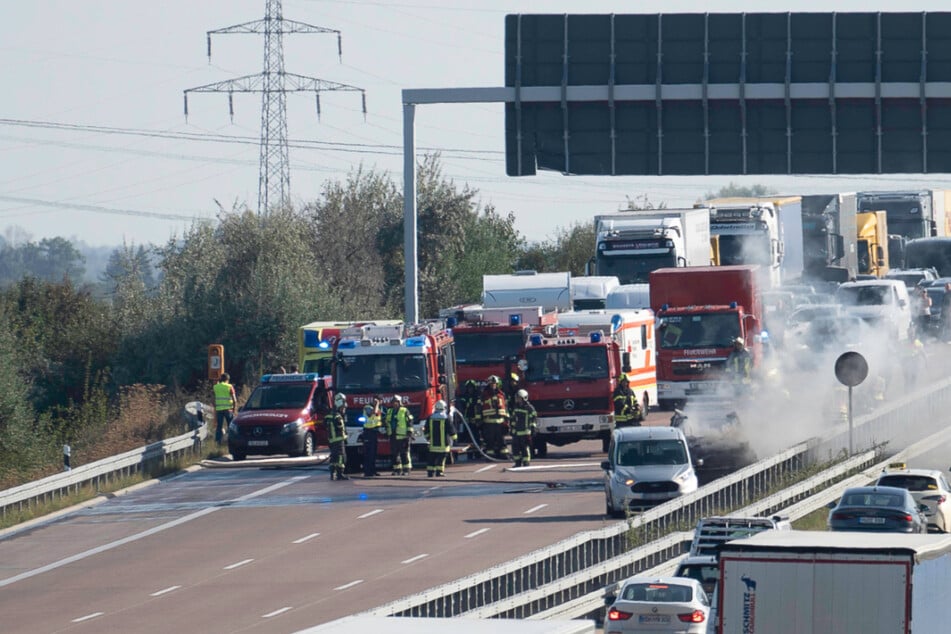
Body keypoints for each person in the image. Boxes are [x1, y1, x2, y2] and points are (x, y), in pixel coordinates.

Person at [423, 400, 457, 477]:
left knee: (432, 458)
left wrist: (428, 438)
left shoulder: (430, 418)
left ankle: (430, 472)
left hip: (433, 444)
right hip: (443, 445)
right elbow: (451, 429)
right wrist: (455, 438)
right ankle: (439, 472)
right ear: (444, 408)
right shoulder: (446, 418)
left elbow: (426, 429)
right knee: (441, 459)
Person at [479, 375, 509, 458]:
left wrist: (507, 420)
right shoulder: (484, 394)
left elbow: (505, 407)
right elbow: (479, 407)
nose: (493, 385)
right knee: (490, 441)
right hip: (489, 422)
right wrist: (479, 420)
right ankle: (490, 455)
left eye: (495, 384)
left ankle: (504, 455)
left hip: (500, 422)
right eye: (492, 384)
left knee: (501, 440)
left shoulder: (501, 394)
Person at [386, 395, 415, 475]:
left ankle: (406, 470)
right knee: (394, 454)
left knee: (404, 453)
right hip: (393, 435)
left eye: (396, 402)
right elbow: (387, 422)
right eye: (393, 402)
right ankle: (397, 470)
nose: (394, 404)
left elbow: (410, 421)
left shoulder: (404, 410)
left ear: (399, 402)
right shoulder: (389, 411)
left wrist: (409, 432)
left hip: (403, 436)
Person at [509, 389, 537, 468]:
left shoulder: (529, 408)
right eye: (517, 398)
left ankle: (526, 462)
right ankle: (517, 462)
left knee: (525, 448)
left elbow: (533, 418)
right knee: (515, 448)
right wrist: (512, 429)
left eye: (519, 398)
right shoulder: (516, 407)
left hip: (525, 431)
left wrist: (533, 428)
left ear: (524, 398)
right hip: (516, 432)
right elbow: (513, 419)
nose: (517, 399)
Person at [326, 393, 349, 481]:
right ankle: (340, 474)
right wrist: (345, 437)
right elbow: (340, 429)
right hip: (339, 440)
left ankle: (332, 473)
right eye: (343, 408)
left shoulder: (329, 415)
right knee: (341, 457)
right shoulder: (338, 417)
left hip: (331, 440)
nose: (344, 410)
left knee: (333, 457)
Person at [361, 396, 384, 477]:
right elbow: (371, 414)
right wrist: (376, 404)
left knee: (373, 453)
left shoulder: (378, 408)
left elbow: (377, 416)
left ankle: (373, 470)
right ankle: (367, 472)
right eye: (379, 401)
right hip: (368, 432)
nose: (380, 403)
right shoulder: (367, 407)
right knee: (368, 453)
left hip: (374, 432)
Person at [213, 373, 237, 444]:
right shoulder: (229, 386)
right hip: (228, 409)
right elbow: (234, 400)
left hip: (219, 409)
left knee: (219, 426)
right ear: (227, 380)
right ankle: (231, 441)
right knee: (231, 426)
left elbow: (213, 399)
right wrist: (234, 410)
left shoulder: (216, 387)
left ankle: (217, 442)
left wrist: (216, 407)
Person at [456, 379, 482, 446]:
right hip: (466, 421)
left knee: (476, 436)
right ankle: (469, 453)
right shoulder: (464, 397)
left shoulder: (477, 397)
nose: (470, 389)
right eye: (469, 387)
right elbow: (461, 406)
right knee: (467, 437)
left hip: (475, 421)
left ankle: (477, 452)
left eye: (472, 387)